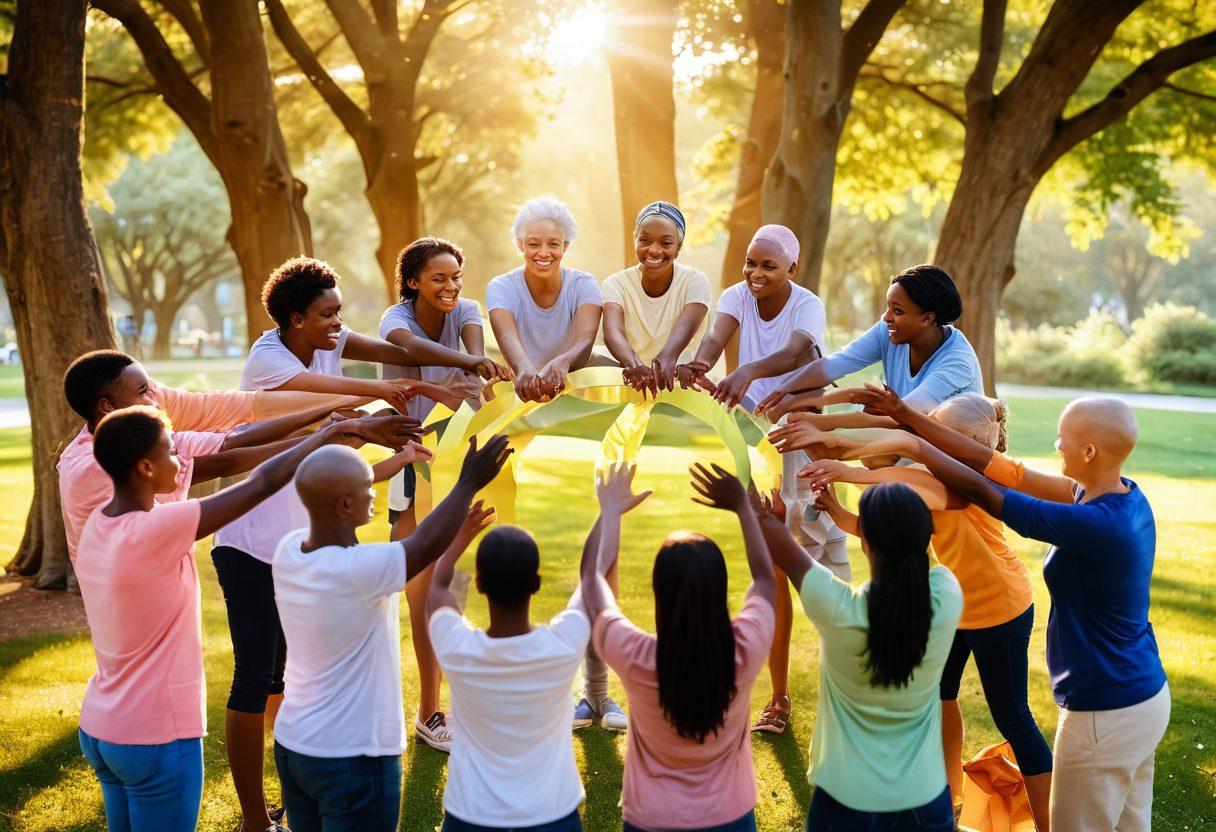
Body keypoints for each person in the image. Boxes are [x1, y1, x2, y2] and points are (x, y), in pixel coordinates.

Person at [214, 256, 505, 832]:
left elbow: (395, 358)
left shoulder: (327, 339)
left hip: (299, 538)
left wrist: (463, 356)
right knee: (256, 676)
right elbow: (341, 398)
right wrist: (415, 388)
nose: (338, 325)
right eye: (326, 315)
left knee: (290, 673)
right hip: (252, 544)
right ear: (295, 318)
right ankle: (254, 818)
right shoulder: (268, 362)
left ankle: (289, 790)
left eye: (339, 313)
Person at [857, 389, 1169, 832]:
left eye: (1063, 438)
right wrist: (908, 418)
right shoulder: (1118, 496)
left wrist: (913, 442)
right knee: (1128, 825)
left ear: (1089, 450)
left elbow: (988, 491)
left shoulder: (1095, 522)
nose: (1056, 445)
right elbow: (1003, 471)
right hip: (1144, 697)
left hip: (1105, 710)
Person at [74, 406, 383, 832]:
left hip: (102, 729)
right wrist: (332, 433)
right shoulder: (156, 528)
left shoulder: (97, 521)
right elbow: (263, 482)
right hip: (154, 736)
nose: (182, 462)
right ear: (146, 467)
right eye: (172, 453)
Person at [795, 392, 1053, 828]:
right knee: (939, 693)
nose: (924, 435)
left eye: (938, 431)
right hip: (953, 605)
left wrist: (845, 467)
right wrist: (836, 500)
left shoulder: (967, 482)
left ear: (968, 442)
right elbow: (880, 525)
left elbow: (909, 486)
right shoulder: (931, 472)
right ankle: (948, 798)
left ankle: (1049, 824)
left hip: (1000, 605)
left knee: (1012, 715)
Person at [271, 436, 513, 832]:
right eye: (367, 488)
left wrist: (455, 535)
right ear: (345, 505)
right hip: (353, 758)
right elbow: (422, 545)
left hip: (295, 745)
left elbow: (422, 547)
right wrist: (469, 481)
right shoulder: (360, 570)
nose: (374, 495)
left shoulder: (287, 552)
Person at [677, 224, 847, 736]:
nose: (755, 273)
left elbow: (797, 351)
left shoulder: (806, 306)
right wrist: (697, 365)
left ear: (791, 270)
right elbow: (712, 341)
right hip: (756, 442)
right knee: (770, 567)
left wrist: (747, 370)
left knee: (826, 571)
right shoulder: (735, 295)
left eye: (768, 265)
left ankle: (848, 696)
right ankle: (778, 700)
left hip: (803, 439)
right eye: (750, 263)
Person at [58, 350, 398, 563]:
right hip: (129, 583)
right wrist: (328, 436)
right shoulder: (96, 468)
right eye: (144, 392)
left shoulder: (134, 441)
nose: (157, 399)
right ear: (107, 406)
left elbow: (230, 441)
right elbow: (231, 466)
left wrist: (333, 418)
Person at [580, 462, 775, 832]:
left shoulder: (636, 657)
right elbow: (766, 579)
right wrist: (744, 508)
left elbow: (591, 579)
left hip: (651, 819)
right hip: (731, 818)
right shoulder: (745, 650)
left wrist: (609, 511)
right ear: (720, 592)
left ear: (659, 594)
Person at [757, 480, 962, 830]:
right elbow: (916, 549)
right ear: (926, 538)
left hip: (845, 801)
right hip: (925, 799)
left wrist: (765, 517)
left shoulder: (839, 609)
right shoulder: (947, 594)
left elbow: (786, 554)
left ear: (864, 543)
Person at [380, 236, 510, 751]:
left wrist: (475, 366)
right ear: (413, 281)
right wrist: (467, 364)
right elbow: (412, 350)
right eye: (439, 278)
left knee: (452, 582)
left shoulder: (468, 309)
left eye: (456, 276)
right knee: (419, 584)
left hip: (455, 459)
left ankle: (458, 705)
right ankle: (428, 711)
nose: (451, 287)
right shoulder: (396, 319)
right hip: (411, 460)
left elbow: (474, 357)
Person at [425, 501, 593, 831]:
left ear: (479, 584)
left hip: (470, 816)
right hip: (553, 815)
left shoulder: (458, 649)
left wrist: (461, 536)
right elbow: (592, 578)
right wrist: (609, 510)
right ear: (537, 583)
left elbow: (437, 588)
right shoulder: (562, 645)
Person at [753, 264, 982, 421]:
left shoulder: (958, 361)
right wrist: (783, 392)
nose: (885, 317)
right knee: (808, 413)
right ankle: (809, 489)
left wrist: (809, 417)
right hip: (901, 438)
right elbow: (839, 362)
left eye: (897, 311)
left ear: (927, 318)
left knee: (820, 424)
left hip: (945, 458)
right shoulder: (889, 331)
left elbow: (902, 414)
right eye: (888, 307)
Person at [486, 196, 603, 403]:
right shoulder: (501, 287)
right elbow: (506, 336)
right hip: (524, 388)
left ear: (565, 247)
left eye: (553, 244)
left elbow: (585, 339)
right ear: (521, 245)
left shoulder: (585, 284)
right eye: (533, 244)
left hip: (579, 385)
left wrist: (563, 361)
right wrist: (524, 369)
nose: (543, 253)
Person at [601, 201, 712, 395]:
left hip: (678, 383)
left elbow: (685, 327)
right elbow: (613, 331)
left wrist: (666, 358)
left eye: (666, 243)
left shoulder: (695, 281)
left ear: (679, 247)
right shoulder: (615, 284)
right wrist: (633, 365)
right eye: (645, 240)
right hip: (631, 382)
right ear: (635, 239)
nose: (654, 250)